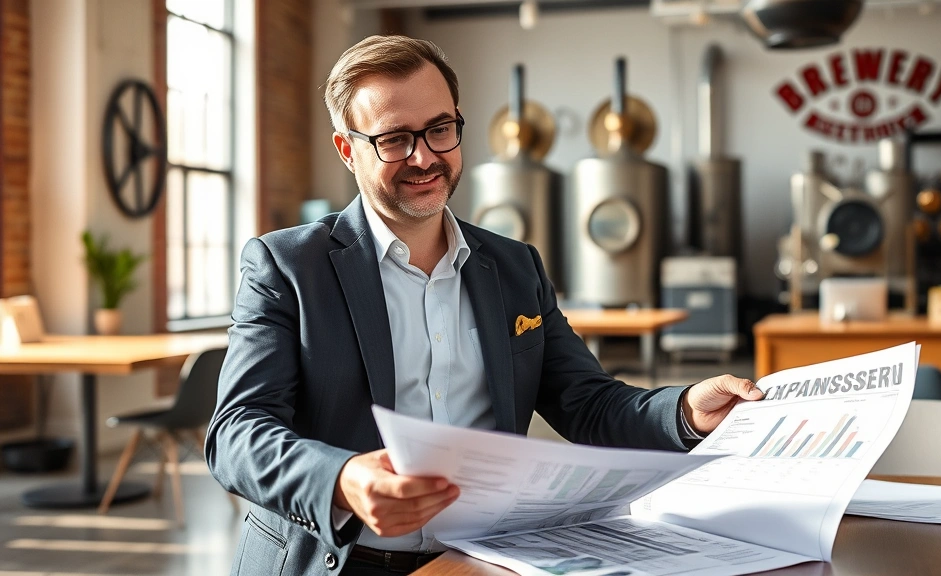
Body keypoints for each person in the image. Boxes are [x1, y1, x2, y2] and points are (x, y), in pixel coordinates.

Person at [206, 34, 763, 576]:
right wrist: (342, 479)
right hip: (340, 562)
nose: (424, 156)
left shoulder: (515, 266)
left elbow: (589, 403)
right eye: (394, 139)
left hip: (479, 561)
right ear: (347, 149)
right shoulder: (287, 265)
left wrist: (687, 409)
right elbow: (236, 432)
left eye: (440, 130)